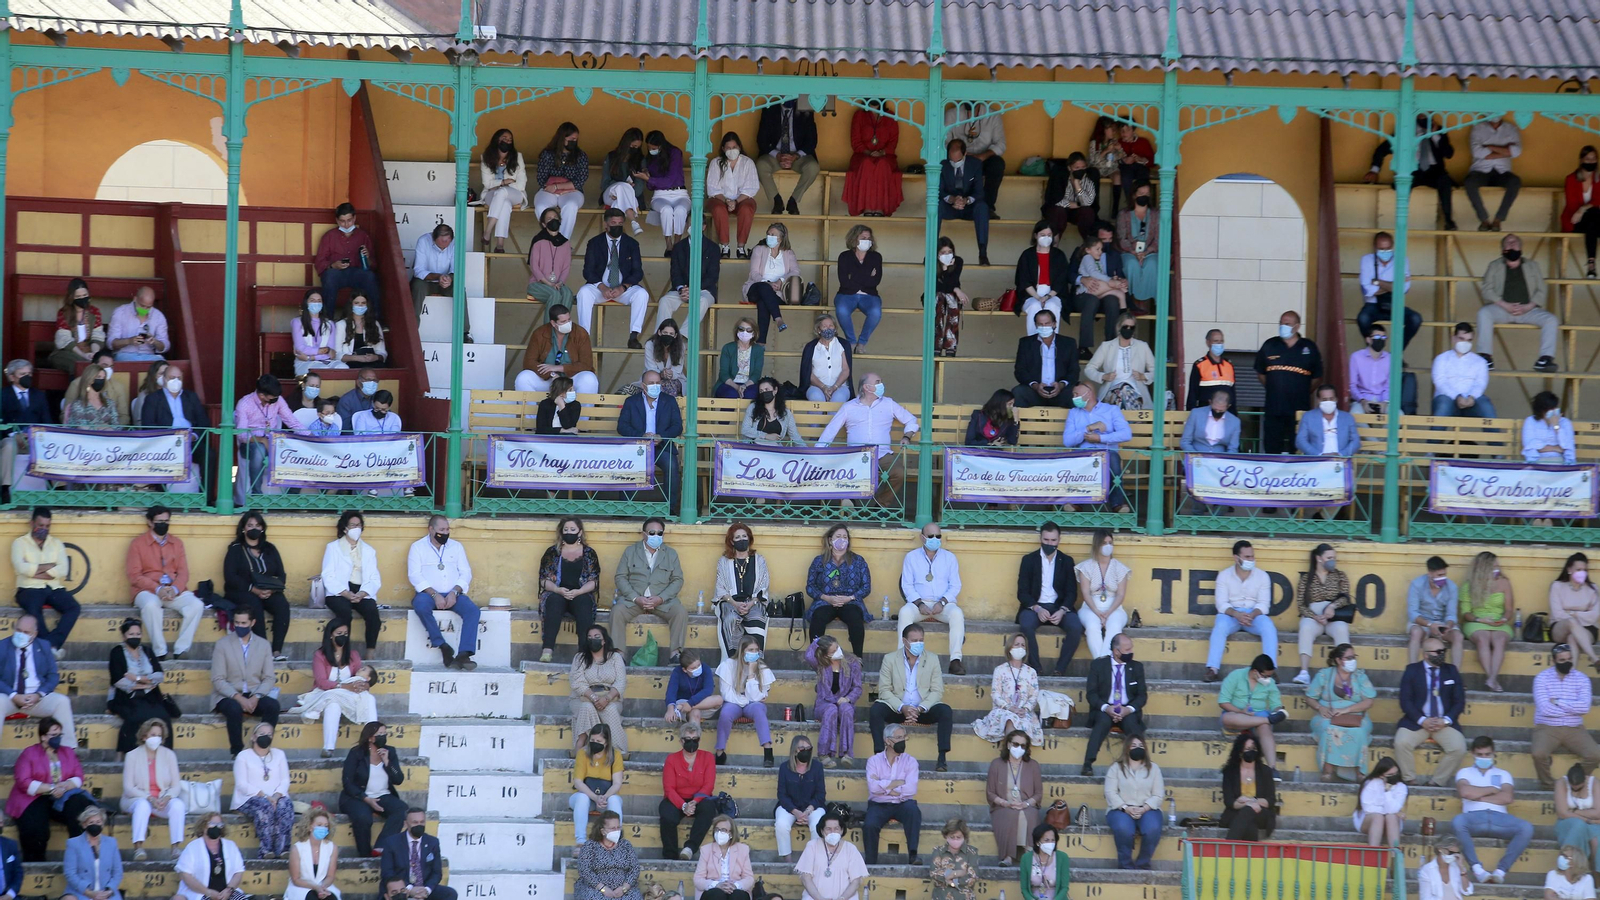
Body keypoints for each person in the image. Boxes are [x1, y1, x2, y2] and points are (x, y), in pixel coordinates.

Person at [816, 373, 919, 508]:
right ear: (867, 387)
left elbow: (911, 420)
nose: (881, 385)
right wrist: (817, 453)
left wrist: (907, 436)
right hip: (856, 455)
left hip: (882, 454)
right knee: (844, 470)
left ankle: (880, 504)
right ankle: (849, 502)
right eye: (878, 382)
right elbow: (831, 431)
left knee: (898, 473)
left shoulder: (889, 404)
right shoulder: (849, 407)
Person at [9, 716, 94, 860]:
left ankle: (80, 854)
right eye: (53, 735)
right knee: (36, 828)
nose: (57, 738)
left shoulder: (67, 752)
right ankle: (35, 861)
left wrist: (65, 786)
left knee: (79, 804)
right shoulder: (29, 753)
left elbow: (79, 775)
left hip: (61, 795)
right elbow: (23, 781)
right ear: (43, 737)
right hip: (34, 797)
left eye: (59, 735)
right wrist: (51, 788)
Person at [871, 624, 953, 771]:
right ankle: (879, 755)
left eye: (921, 640)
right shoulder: (890, 659)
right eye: (914, 640)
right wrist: (902, 707)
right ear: (904, 641)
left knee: (945, 711)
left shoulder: (932, 659)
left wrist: (920, 708)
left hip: (922, 710)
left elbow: (937, 690)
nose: (918, 643)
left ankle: (942, 758)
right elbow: (884, 690)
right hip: (897, 709)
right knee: (876, 710)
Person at [126, 506, 204, 660]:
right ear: (149, 522)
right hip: (147, 591)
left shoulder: (177, 543)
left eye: (166, 521)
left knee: (197, 605)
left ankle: (181, 649)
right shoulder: (137, 544)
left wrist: (174, 589)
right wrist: (157, 589)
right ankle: (160, 651)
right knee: (150, 606)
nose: (163, 524)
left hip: (173, 590)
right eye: (159, 521)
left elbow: (183, 573)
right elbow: (134, 576)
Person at [1453, 736, 1533, 884]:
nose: (1484, 758)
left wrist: (1478, 797)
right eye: (1480, 754)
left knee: (1526, 828)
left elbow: (1507, 797)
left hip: (1500, 819)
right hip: (1473, 818)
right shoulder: (1464, 772)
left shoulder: (1504, 774)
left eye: (1487, 754)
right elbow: (1465, 792)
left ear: (1494, 753)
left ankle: (1500, 872)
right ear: (1472, 754)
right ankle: (1477, 870)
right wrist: (1492, 789)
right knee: (1458, 821)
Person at [406, 515, 480, 671]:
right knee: (420, 605)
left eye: (447, 529)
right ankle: (442, 645)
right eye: (441, 530)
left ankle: (464, 654)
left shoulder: (456, 547)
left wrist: (454, 592)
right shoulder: (418, 547)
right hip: (429, 595)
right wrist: (434, 594)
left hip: (453, 594)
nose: (445, 533)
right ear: (431, 530)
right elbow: (414, 575)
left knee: (473, 611)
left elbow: (466, 573)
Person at [1478, 233, 1559, 372]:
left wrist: (1528, 306)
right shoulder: (1494, 265)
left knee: (1551, 320)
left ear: (1521, 247)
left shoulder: (1532, 265)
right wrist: (1504, 305)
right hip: (1503, 309)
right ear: (1502, 249)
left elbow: (1541, 290)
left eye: (1514, 242)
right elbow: (1486, 289)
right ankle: (1485, 358)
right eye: (1508, 242)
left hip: (1528, 309)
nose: (1511, 244)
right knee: (1484, 313)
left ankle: (1545, 359)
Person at [295, 619, 376, 756]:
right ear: (331, 635)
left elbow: (360, 676)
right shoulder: (320, 655)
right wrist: (343, 686)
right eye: (339, 633)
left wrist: (365, 685)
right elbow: (321, 681)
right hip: (325, 692)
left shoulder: (353, 655)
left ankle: (374, 737)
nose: (342, 636)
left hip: (348, 695)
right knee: (333, 705)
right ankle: (328, 748)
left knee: (370, 698)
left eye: (345, 633)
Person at [1395, 636, 1468, 787]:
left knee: (1459, 747)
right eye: (1437, 652)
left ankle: (1436, 782)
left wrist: (1446, 720)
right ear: (1426, 654)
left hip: (1444, 723)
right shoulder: (1412, 670)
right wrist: (1422, 720)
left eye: (1443, 651)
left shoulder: (1451, 670)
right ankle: (1409, 780)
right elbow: (1405, 701)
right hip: (1417, 722)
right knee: (1401, 743)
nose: (1442, 654)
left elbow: (1459, 701)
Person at [611, 518, 688, 660]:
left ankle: (676, 654)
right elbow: (620, 577)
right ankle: (618, 654)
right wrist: (635, 598)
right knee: (617, 611)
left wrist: (661, 598)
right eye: (652, 532)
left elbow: (677, 580)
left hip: (662, 602)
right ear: (644, 534)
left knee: (680, 612)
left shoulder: (671, 554)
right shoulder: (630, 551)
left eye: (660, 533)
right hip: (634, 600)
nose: (656, 536)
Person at [1366, 114, 1459, 229]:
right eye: (1422, 116)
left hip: (1435, 171)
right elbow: (1382, 149)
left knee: (1445, 182)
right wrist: (1374, 170)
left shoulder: (1439, 130)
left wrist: (1434, 134)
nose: (1425, 118)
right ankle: (1400, 223)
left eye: (1427, 115)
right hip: (1412, 170)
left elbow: (1449, 154)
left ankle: (1449, 221)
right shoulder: (1405, 132)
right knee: (1403, 184)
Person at [897, 524, 968, 675]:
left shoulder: (949, 558)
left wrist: (942, 602)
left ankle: (955, 661)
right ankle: (902, 658)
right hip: (919, 604)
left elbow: (955, 585)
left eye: (938, 536)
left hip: (942, 605)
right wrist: (920, 604)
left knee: (957, 614)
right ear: (922, 538)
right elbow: (907, 585)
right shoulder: (911, 557)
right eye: (931, 536)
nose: (935, 539)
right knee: (904, 613)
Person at [1015, 522, 1084, 675]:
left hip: (1059, 607)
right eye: (1046, 540)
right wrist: (1037, 608)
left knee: (1076, 627)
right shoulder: (1029, 560)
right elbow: (1022, 592)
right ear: (1040, 538)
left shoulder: (1066, 561)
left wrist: (1062, 610)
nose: (1049, 543)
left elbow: (1072, 592)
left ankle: (1060, 669)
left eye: (1053, 540)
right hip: (1035, 607)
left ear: (1059, 540)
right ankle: (1036, 669)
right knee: (1025, 625)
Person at [211, 607, 281, 757]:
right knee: (234, 709)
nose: (240, 626)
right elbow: (218, 679)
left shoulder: (263, 645)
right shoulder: (222, 644)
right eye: (237, 623)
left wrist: (256, 697)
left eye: (244, 623)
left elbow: (269, 677)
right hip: (228, 695)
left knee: (273, 706)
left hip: (254, 693)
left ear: (252, 622)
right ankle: (237, 752)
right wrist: (239, 698)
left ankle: (262, 746)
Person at [1204, 540, 1277, 683]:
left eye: (1252, 556)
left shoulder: (1262, 576)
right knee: (1220, 627)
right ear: (1236, 558)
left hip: (1254, 615)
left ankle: (1271, 670)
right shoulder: (1224, 576)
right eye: (1247, 557)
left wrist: (1251, 615)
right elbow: (1221, 604)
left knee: (1269, 627)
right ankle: (1212, 669)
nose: (1251, 560)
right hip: (1231, 614)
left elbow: (1263, 604)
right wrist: (1237, 614)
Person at [221, 510, 290, 660]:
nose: (254, 529)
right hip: (241, 591)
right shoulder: (235, 549)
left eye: (257, 525)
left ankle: (276, 651)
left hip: (268, 591)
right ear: (243, 529)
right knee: (254, 604)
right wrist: (254, 589)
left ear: (262, 528)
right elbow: (230, 576)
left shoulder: (270, 549)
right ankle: (263, 650)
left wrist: (271, 590)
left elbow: (281, 574)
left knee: (282, 604)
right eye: (250, 525)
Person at [575, 208, 650, 346]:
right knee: (583, 293)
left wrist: (623, 287)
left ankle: (633, 336)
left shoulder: (632, 244)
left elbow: (637, 272)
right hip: (600, 288)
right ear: (606, 225)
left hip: (622, 289)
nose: (617, 226)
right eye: (614, 223)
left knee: (642, 294)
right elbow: (588, 271)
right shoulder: (594, 243)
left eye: (620, 223)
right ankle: (583, 337)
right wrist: (602, 287)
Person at [1532, 643, 1600, 789]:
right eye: (1562, 660)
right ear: (1553, 661)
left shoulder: (1582, 679)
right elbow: (1545, 709)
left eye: (1569, 659)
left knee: (1595, 755)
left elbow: (1584, 707)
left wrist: (1557, 702)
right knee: (1538, 754)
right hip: (1547, 726)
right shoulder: (1541, 678)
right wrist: (1572, 708)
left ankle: (1574, 781)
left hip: (1574, 727)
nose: (1567, 663)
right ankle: (1549, 784)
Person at [1254, 310, 1322, 454]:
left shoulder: (1309, 347)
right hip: (1274, 408)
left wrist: (1302, 391)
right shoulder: (1270, 345)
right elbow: (1260, 373)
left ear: (1297, 326)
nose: (1282, 326)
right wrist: (1274, 388)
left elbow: (1317, 377)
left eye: (1287, 324)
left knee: (1297, 446)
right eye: (1281, 323)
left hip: (1299, 409)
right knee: (1272, 446)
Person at [1306, 643, 1376, 781]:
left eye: (1353, 657)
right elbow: (1310, 698)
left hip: (1356, 715)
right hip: (1327, 715)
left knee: (1360, 732)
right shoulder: (1324, 675)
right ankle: (1327, 770)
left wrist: (1346, 710)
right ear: (1338, 660)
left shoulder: (1360, 676)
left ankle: (1360, 771)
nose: (1352, 661)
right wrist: (1320, 708)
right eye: (1348, 658)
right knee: (1328, 730)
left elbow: (1369, 701)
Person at [232, 374, 304, 506]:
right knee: (259, 451)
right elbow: (241, 435)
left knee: (296, 453)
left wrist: (312, 437)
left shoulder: (278, 400)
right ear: (262, 395)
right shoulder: (244, 404)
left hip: (274, 441)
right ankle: (256, 496)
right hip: (250, 444)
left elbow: (291, 421)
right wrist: (261, 440)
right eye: (272, 400)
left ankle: (291, 497)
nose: (275, 402)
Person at [11, 508, 77, 651]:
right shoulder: (19, 543)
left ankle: (50, 644)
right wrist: (50, 567)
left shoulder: (56, 543)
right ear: (32, 523)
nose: (44, 529)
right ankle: (49, 648)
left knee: (74, 607)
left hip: (52, 588)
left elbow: (63, 570)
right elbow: (21, 568)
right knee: (34, 610)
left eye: (47, 526)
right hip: (28, 588)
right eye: (40, 525)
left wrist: (33, 570)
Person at [618, 371, 683, 514]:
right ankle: (624, 508)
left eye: (658, 383)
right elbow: (622, 426)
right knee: (628, 466)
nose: (655, 386)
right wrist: (641, 436)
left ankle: (670, 509)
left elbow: (677, 426)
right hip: (638, 447)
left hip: (662, 446)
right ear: (643, 386)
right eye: (651, 383)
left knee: (672, 466)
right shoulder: (631, 401)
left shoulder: (669, 401)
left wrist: (662, 436)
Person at [1080, 633, 1145, 776]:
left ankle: (1142, 762)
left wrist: (1128, 709)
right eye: (1127, 650)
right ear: (1116, 651)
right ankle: (1088, 763)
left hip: (1127, 709)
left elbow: (1142, 696)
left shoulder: (1137, 667)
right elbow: (1091, 694)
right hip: (1104, 708)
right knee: (1101, 723)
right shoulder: (1098, 665)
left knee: (1133, 726)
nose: (1131, 652)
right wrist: (1106, 708)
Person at [1061, 383, 1132, 513]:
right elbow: (1067, 441)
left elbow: (1126, 434)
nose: (1074, 398)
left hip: (1107, 452)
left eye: (1076, 394)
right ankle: (1076, 503)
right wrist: (1087, 428)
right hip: (1084, 453)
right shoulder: (1074, 413)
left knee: (1113, 460)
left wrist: (1100, 438)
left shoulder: (1111, 410)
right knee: (1079, 462)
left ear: (1088, 394)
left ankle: (1118, 504)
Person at [538, 516, 599, 664]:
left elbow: (593, 581)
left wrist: (578, 591)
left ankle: (583, 655)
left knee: (584, 602)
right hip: (557, 592)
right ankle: (547, 650)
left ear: (580, 532)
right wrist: (558, 590)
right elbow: (544, 580)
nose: (569, 532)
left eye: (572, 529)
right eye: (566, 529)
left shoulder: (589, 553)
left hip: (580, 593)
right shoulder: (552, 552)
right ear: (561, 532)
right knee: (554, 601)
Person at [320, 510, 383, 653]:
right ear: (344, 528)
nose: (356, 528)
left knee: (373, 614)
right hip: (339, 592)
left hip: (361, 591)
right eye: (353, 525)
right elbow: (328, 575)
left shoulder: (368, 550)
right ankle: (343, 651)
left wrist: (362, 593)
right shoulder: (333, 547)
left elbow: (374, 578)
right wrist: (346, 593)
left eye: (359, 525)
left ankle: (370, 652)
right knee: (345, 614)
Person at [340, 721, 406, 859]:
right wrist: (366, 799)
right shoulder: (356, 753)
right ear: (370, 737)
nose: (383, 737)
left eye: (384, 734)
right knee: (363, 818)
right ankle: (365, 855)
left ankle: (381, 846)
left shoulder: (390, 752)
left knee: (401, 809)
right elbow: (347, 782)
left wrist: (387, 762)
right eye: (379, 734)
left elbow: (398, 779)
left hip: (383, 795)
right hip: (358, 796)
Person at [107, 621, 173, 757]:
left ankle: (165, 755)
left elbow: (159, 675)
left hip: (150, 695)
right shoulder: (117, 652)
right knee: (138, 716)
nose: (135, 637)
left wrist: (136, 678)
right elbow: (118, 680)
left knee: (164, 717)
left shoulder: (147, 650)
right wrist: (143, 682)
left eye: (138, 634)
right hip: (126, 696)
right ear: (124, 636)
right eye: (131, 634)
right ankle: (130, 754)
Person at [806, 524, 872, 658]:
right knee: (818, 618)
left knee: (855, 618)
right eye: (838, 536)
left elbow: (866, 587)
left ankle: (857, 660)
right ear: (830, 540)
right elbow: (810, 586)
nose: (842, 539)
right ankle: (817, 659)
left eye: (845, 537)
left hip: (850, 601)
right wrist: (826, 598)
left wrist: (850, 598)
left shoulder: (858, 561)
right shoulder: (819, 561)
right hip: (825, 601)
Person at [1291, 543, 1354, 684]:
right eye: (1329, 557)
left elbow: (1345, 597)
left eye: (1334, 558)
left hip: (1334, 615)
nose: (1333, 560)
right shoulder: (1306, 578)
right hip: (1314, 616)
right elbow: (1301, 605)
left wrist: (1332, 606)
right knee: (1306, 627)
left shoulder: (1340, 575)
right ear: (1319, 558)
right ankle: (1304, 672)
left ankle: (1344, 674)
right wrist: (1315, 616)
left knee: (1342, 629)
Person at [121, 718, 182, 860]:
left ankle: (175, 848)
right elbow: (128, 788)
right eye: (153, 735)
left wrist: (167, 798)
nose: (156, 738)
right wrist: (149, 798)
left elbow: (176, 785)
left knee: (178, 805)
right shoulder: (132, 756)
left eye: (159, 736)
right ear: (144, 736)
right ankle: (138, 848)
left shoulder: (169, 755)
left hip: (162, 800)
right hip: (137, 799)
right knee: (143, 806)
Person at [863, 723, 923, 864]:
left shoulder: (911, 761)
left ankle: (913, 855)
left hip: (902, 803)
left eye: (904, 737)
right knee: (869, 825)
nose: (902, 741)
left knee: (914, 812)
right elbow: (873, 788)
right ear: (887, 741)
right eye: (898, 737)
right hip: (878, 804)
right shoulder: (873, 761)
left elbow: (911, 789)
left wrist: (883, 784)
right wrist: (897, 783)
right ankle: (871, 862)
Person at [713, 636, 775, 766]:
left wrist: (751, 674)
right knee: (725, 713)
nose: (754, 653)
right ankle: (719, 752)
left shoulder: (762, 668)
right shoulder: (728, 665)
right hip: (734, 703)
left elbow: (758, 697)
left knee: (759, 709)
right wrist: (746, 699)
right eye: (750, 650)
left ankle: (768, 751)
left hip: (752, 705)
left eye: (756, 650)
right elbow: (726, 694)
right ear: (742, 651)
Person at [660, 722, 717, 861]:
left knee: (709, 809)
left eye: (695, 739)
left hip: (700, 799)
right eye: (688, 739)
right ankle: (670, 855)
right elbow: (669, 788)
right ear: (681, 741)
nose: (691, 742)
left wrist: (693, 802)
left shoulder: (708, 757)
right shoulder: (671, 759)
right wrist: (683, 806)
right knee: (666, 814)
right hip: (676, 799)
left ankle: (690, 848)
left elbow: (709, 785)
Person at [1105, 735, 1163, 870]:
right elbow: (1110, 792)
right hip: (1120, 809)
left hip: (1148, 809)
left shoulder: (1154, 768)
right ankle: (1126, 866)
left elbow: (1158, 795)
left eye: (1141, 746)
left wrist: (1144, 808)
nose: (1138, 748)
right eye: (1134, 746)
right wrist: (1125, 807)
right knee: (1123, 829)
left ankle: (1143, 864)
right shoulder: (1116, 768)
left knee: (1152, 829)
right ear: (1127, 749)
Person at [1355, 232, 1422, 349]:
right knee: (1363, 319)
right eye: (1381, 249)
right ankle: (1373, 351)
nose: (1385, 252)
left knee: (1415, 319)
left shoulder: (1401, 260)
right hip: (1373, 305)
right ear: (1375, 247)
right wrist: (1394, 285)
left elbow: (1403, 289)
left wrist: (1377, 282)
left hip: (1395, 304)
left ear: (1392, 246)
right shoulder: (1367, 260)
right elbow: (1367, 288)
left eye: (1388, 248)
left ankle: (1396, 354)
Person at [515, 304, 600, 396]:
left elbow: (586, 364)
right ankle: (529, 410)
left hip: (572, 379)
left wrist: (560, 368)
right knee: (523, 378)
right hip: (549, 379)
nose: (568, 323)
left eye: (569, 320)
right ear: (553, 323)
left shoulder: (580, 333)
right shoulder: (539, 333)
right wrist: (552, 374)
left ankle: (585, 410)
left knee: (589, 379)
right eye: (563, 321)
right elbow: (529, 362)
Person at [314, 203, 382, 318]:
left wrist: (367, 257)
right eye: (342, 221)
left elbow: (373, 265)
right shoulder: (329, 236)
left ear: (354, 218)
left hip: (357, 273)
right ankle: (327, 321)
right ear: (337, 220)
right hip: (336, 274)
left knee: (370, 277)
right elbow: (319, 262)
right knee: (329, 277)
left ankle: (375, 320)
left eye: (349, 220)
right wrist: (333, 265)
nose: (346, 224)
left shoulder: (363, 236)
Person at [571, 625, 629, 758]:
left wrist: (606, 698)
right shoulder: (579, 658)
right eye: (590, 637)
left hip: (610, 697)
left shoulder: (615, 657)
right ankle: (581, 745)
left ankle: (616, 749)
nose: (593, 640)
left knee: (610, 710)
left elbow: (620, 682)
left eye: (597, 637)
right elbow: (577, 682)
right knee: (587, 707)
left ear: (604, 641)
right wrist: (593, 698)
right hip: (583, 698)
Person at [1460, 551, 1514, 692]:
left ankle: (1491, 679)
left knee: (1499, 639)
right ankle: (1492, 678)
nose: (1497, 570)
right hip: (1476, 621)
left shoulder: (1504, 582)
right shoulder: (1469, 585)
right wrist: (1480, 619)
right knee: (1483, 638)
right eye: (1493, 567)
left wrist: (1504, 619)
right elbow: (1466, 613)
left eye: (1497, 566)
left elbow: (1509, 609)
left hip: (1498, 621)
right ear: (1483, 569)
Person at [974, 633, 1044, 742]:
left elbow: (1034, 695)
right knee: (1010, 718)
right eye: (1016, 644)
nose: (1020, 647)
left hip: (1024, 712)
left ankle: (1018, 753)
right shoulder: (1000, 670)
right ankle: (1009, 754)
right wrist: (1009, 707)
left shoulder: (1031, 672)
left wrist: (1024, 709)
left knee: (1023, 722)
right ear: (1010, 647)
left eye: (1023, 645)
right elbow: (995, 693)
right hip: (1003, 709)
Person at [713, 523, 769, 657]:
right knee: (730, 618)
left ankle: (754, 659)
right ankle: (732, 660)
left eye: (744, 536)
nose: (742, 540)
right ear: (732, 541)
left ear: (749, 538)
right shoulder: (724, 561)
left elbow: (763, 585)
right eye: (737, 537)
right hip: (731, 601)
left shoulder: (759, 560)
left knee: (757, 618)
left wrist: (751, 603)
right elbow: (720, 587)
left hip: (753, 601)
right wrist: (734, 604)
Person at [1218, 655, 1286, 766]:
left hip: (1259, 719)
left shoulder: (1270, 683)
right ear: (1255, 672)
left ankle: (1272, 768)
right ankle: (1267, 720)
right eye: (1265, 676)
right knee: (1227, 718)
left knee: (1264, 728)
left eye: (1270, 676)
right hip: (1238, 717)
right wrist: (1240, 712)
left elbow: (1276, 705)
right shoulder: (1236, 676)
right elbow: (1223, 702)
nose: (1268, 679)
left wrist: (1279, 711)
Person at [804, 636, 861, 768]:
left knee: (846, 710)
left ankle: (847, 754)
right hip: (824, 703)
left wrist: (848, 699)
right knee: (831, 710)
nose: (837, 652)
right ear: (825, 654)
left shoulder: (852, 662)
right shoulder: (820, 663)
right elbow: (808, 656)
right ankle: (824, 754)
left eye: (837, 648)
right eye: (833, 651)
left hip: (845, 703)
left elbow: (857, 688)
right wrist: (816, 641)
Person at [756, 98, 820, 216]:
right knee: (760, 165)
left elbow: (812, 141)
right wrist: (778, 155)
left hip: (797, 156)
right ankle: (777, 200)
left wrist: (795, 156)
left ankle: (793, 200)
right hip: (775, 155)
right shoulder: (769, 109)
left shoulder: (805, 110)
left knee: (813, 167)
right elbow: (762, 140)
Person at [987, 731, 1042, 865]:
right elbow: (990, 793)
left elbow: (1038, 793)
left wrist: (1026, 804)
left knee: (1026, 814)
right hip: (1003, 806)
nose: (1019, 748)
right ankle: (1007, 857)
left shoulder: (1033, 765)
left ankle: (1029, 853)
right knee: (1010, 815)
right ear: (1008, 744)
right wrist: (1005, 803)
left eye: (1023, 746)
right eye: (1016, 744)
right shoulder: (996, 764)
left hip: (1027, 806)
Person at [378, 808, 456, 900]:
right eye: (415, 822)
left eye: (422, 822)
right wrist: (409, 889)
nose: (419, 825)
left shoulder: (432, 842)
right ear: (406, 823)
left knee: (450, 894)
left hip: (424, 887)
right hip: (400, 888)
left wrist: (426, 890)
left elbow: (436, 873)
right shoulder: (391, 842)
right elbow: (387, 872)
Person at [1074, 529, 1129, 659]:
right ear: (1097, 545)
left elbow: (1120, 595)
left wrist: (1108, 613)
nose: (1108, 546)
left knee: (1114, 627)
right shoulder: (1086, 567)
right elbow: (1086, 593)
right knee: (1093, 627)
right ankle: (1102, 663)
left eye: (1110, 542)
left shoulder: (1120, 568)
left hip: (1114, 607)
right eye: (1104, 543)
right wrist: (1097, 613)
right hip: (1090, 607)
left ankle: (1102, 664)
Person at [1085, 310, 1154, 409]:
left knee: (1125, 391)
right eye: (1125, 327)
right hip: (1111, 391)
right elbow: (1089, 369)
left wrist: (1144, 376)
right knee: (1122, 391)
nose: (1128, 329)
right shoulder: (1107, 346)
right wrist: (1103, 376)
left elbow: (1156, 370)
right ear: (1119, 327)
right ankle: (1130, 422)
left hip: (1136, 393)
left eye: (1132, 327)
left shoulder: (1142, 346)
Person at [569, 724, 624, 846]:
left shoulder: (615, 755)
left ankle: (616, 841)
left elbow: (617, 783)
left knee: (614, 799)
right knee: (582, 798)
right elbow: (578, 782)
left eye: (599, 741)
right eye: (592, 740)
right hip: (586, 796)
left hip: (605, 798)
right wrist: (595, 797)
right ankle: (580, 841)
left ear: (606, 742)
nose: (595, 743)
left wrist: (604, 797)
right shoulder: (583, 753)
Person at [658, 225, 721, 333]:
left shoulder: (713, 247)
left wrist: (694, 289)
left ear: (704, 226)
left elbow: (713, 276)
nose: (692, 226)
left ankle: (683, 337)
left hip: (704, 290)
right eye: (690, 223)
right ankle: (661, 337)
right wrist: (682, 289)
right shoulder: (678, 247)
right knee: (664, 301)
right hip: (682, 290)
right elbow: (675, 272)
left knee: (703, 301)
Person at [774, 735, 826, 862]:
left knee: (817, 826)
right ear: (794, 750)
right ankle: (788, 860)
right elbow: (782, 794)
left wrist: (807, 811)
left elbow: (820, 794)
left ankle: (812, 861)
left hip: (813, 807)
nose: (805, 751)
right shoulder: (784, 768)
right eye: (802, 748)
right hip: (790, 807)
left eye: (808, 748)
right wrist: (796, 812)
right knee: (781, 825)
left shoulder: (817, 767)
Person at [1464, 114, 1521, 232]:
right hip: (1480, 170)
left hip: (1502, 172)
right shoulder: (1478, 128)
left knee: (1515, 182)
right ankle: (1484, 220)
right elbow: (1477, 152)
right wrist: (1505, 151)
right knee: (1469, 182)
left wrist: (1489, 147)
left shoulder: (1511, 129)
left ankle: (1498, 220)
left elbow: (1517, 151)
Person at [1015, 221, 1072, 338]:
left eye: (1049, 235)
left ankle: (1052, 341)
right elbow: (1023, 280)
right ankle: (1033, 342)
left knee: (1053, 307)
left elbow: (1061, 280)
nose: (1046, 238)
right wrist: (1038, 297)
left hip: (1053, 294)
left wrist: (1048, 297)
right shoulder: (1027, 255)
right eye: (1042, 235)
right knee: (1034, 307)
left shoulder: (1059, 255)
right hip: (1031, 294)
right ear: (1035, 236)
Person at [946, 102, 1007, 211]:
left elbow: (1001, 144)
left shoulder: (993, 115)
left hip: (983, 158)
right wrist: (961, 154)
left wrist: (982, 156)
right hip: (962, 157)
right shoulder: (952, 114)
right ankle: (956, 204)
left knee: (997, 164)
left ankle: (987, 208)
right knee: (946, 163)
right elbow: (945, 142)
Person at [843, 105, 903, 217]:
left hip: (885, 155)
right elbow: (855, 141)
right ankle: (867, 208)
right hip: (862, 155)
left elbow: (893, 141)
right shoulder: (860, 115)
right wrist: (868, 152)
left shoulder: (890, 115)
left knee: (882, 164)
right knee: (866, 164)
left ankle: (881, 208)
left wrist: (882, 152)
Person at [938, 139, 990, 266]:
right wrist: (952, 199)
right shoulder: (943, 164)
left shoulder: (975, 164)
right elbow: (939, 191)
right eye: (952, 160)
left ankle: (983, 253)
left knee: (982, 207)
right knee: (936, 206)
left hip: (969, 207)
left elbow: (979, 193)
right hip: (950, 206)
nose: (955, 163)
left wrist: (966, 200)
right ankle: (932, 251)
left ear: (965, 153)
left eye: (958, 160)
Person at [533, 123, 588, 243]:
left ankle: (563, 241)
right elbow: (541, 178)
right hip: (549, 190)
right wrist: (555, 187)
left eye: (576, 139)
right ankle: (550, 237)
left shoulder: (580, 155)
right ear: (562, 138)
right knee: (541, 206)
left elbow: (581, 179)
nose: (574, 142)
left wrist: (558, 186)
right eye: (571, 139)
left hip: (572, 192)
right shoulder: (548, 154)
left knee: (571, 205)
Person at [1011, 311, 1078, 409]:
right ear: (1036, 325)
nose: (1044, 327)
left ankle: (1072, 424)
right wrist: (1035, 385)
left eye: (1047, 323)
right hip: (1035, 390)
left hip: (1061, 390)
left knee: (1076, 393)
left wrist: (1061, 385)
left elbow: (1074, 370)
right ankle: (1021, 424)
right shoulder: (1026, 343)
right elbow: (1020, 370)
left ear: (1054, 324)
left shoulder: (1068, 343)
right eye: (1040, 324)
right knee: (1018, 392)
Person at [743, 224, 797, 345]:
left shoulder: (788, 253)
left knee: (764, 302)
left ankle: (761, 343)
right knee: (764, 288)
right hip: (757, 287)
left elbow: (795, 272)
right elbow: (754, 273)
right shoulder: (759, 249)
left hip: (778, 293)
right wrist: (767, 283)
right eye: (768, 234)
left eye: (773, 235)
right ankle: (778, 318)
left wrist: (781, 281)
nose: (769, 237)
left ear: (781, 238)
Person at [707, 131, 760, 255]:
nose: (732, 150)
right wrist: (726, 201)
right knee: (719, 209)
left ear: (739, 147)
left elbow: (751, 188)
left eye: (734, 147)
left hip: (741, 200)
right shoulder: (716, 163)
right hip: (720, 199)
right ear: (723, 149)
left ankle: (741, 247)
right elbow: (713, 188)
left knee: (747, 208)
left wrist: (736, 202)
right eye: (728, 148)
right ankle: (724, 246)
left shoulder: (748, 163)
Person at [834, 226, 884, 352]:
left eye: (868, 238)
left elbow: (875, 281)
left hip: (870, 295)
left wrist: (854, 276)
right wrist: (866, 276)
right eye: (863, 238)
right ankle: (851, 342)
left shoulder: (876, 257)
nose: (866, 241)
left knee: (875, 313)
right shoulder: (844, 256)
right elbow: (844, 281)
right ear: (854, 239)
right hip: (846, 294)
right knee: (841, 310)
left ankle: (861, 343)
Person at [795, 811, 866, 900]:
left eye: (836, 828)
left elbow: (855, 881)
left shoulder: (851, 849)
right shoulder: (812, 846)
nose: (833, 832)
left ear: (842, 830)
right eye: (828, 829)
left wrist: (842, 898)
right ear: (822, 830)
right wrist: (820, 898)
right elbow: (806, 878)